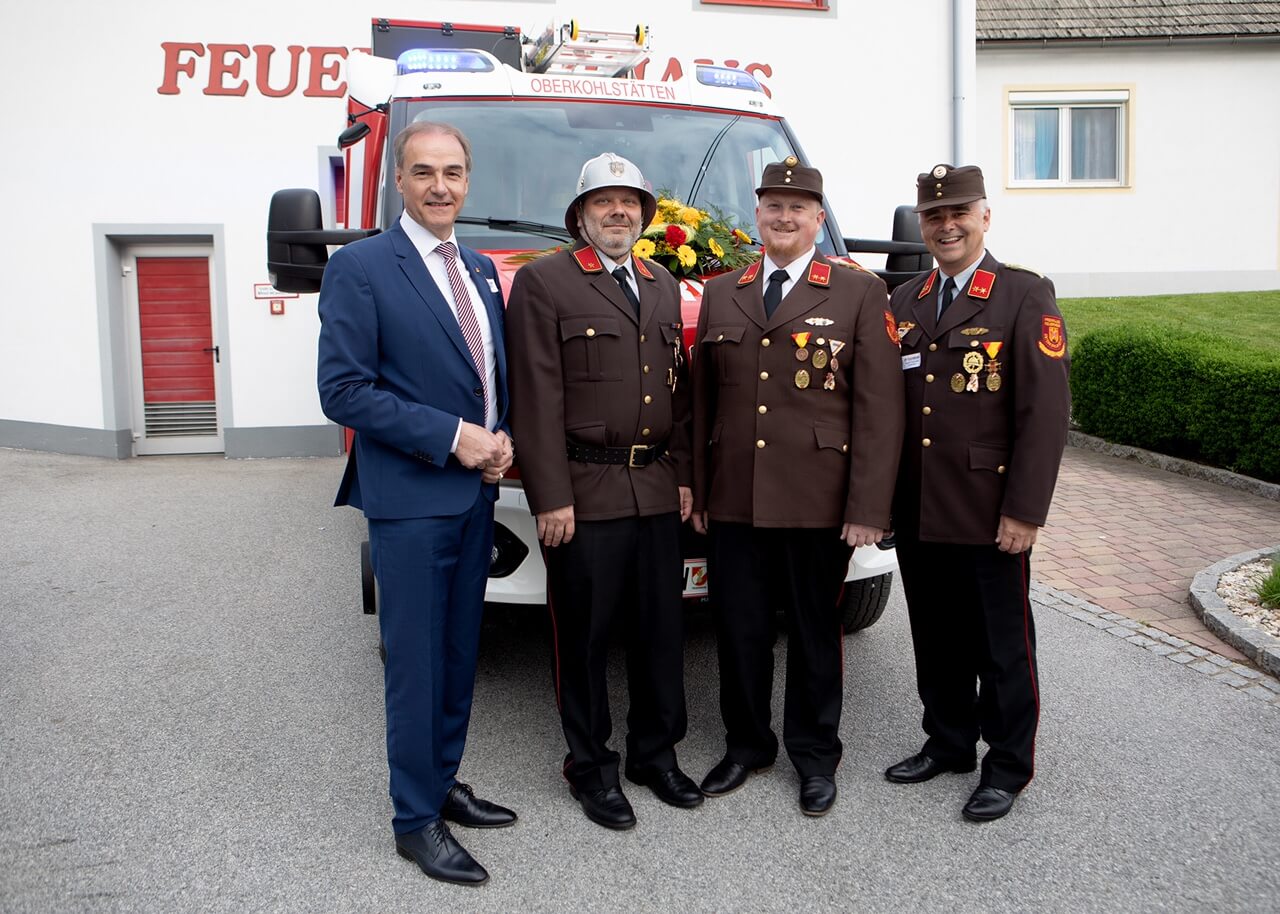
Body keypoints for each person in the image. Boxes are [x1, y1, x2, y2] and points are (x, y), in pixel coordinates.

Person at [316, 121, 516, 885]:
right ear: (398, 180)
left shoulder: (480, 267)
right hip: (409, 501)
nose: (441, 186)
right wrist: (455, 436)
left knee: (461, 651)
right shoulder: (363, 267)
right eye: (424, 172)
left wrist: (503, 439)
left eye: (454, 173)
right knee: (416, 663)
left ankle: (442, 782)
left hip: (473, 495)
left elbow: (487, 373)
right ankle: (413, 819)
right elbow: (343, 390)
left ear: (468, 182)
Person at [691, 159, 905, 816]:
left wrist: (869, 508)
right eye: (773, 205)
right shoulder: (723, 291)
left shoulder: (858, 294)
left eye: (799, 207)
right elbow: (703, 403)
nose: (784, 217)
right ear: (755, 215)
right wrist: (699, 491)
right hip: (735, 498)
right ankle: (747, 745)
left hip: (819, 500)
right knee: (741, 629)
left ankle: (815, 756)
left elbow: (880, 410)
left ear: (819, 219)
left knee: (815, 634)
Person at [506, 153, 699, 830]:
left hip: (652, 487)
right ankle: (590, 768)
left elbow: (680, 390)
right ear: (581, 215)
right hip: (582, 490)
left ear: (645, 215)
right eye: (604, 202)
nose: (619, 212)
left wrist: (681, 474)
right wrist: (549, 495)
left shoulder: (662, 282)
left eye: (630, 202)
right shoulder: (545, 283)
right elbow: (534, 398)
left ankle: (656, 753)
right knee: (584, 640)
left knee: (660, 632)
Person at [885, 164, 1070, 823]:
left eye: (959, 212)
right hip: (918, 506)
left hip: (991, 512)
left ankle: (1008, 765)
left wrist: (1025, 510)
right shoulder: (903, 303)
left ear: (985, 217)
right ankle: (949, 742)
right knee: (935, 636)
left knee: (1002, 644)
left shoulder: (1022, 295)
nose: (946, 225)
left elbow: (1044, 414)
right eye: (933, 216)